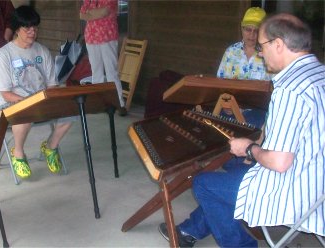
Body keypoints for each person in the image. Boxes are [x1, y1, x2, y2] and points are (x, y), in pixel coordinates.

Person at [159, 13, 325, 247]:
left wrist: (250, 149)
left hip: (296, 193)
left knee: (204, 184)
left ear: (278, 45)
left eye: (262, 45)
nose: (259, 52)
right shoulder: (319, 74)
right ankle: (190, 230)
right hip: (319, 182)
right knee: (234, 166)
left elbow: (279, 163)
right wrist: (256, 150)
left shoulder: (290, 90)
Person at [0, 5, 72, 179]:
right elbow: (5, 93)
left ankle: (51, 146)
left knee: (72, 111)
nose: (32, 32)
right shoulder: (4, 54)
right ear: (16, 29)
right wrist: (28, 102)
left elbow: (52, 85)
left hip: (40, 101)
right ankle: (18, 153)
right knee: (24, 115)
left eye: (35, 27)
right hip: (11, 103)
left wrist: (50, 100)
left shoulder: (42, 51)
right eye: (27, 27)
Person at [217, 7, 272, 128]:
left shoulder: (270, 55)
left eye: (256, 31)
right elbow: (219, 84)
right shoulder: (231, 52)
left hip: (259, 112)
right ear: (242, 29)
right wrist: (227, 105)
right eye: (248, 29)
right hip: (229, 109)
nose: (251, 35)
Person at [80, 0, 126, 114]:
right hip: (91, 38)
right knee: (96, 73)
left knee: (111, 72)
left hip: (107, 37)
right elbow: (82, 15)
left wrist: (90, 13)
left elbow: (104, 12)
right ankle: (98, 103)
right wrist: (92, 13)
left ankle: (120, 103)